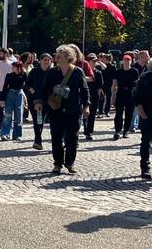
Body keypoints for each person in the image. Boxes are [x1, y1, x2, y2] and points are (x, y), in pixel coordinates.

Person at [34, 45, 90, 174]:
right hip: (55, 110)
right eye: (56, 54)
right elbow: (44, 89)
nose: (56, 57)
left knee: (72, 138)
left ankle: (70, 163)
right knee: (56, 137)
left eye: (59, 55)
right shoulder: (52, 72)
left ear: (68, 57)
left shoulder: (77, 72)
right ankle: (57, 164)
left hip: (73, 109)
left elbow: (85, 90)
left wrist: (86, 106)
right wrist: (39, 102)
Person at [26, 53, 52, 149]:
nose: (46, 62)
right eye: (45, 60)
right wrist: (32, 90)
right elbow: (27, 84)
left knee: (44, 121)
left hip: (48, 100)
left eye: (48, 60)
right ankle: (37, 140)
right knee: (37, 121)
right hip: (35, 99)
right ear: (40, 60)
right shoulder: (34, 71)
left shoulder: (52, 72)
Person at [111, 54, 139, 139]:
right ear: (122, 61)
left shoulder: (134, 71)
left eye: (128, 60)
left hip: (130, 93)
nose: (127, 62)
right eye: (125, 60)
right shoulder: (118, 71)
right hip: (120, 92)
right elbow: (114, 84)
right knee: (118, 113)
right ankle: (117, 130)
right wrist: (113, 96)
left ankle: (126, 131)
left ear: (131, 61)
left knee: (129, 114)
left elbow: (137, 84)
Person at [0, 60, 27, 141]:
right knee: (7, 115)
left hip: (19, 95)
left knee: (19, 116)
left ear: (18, 67)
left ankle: (17, 135)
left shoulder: (24, 75)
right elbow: (4, 87)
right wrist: (2, 99)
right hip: (10, 94)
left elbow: (27, 86)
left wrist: (26, 97)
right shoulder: (9, 75)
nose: (12, 68)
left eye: (14, 66)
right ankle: (5, 134)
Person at [83, 53, 105, 141]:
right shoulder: (83, 72)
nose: (95, 62)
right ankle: (85, 129)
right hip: (84, 96)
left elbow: (100, 87)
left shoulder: (98, 73)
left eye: (96, 61)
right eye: (93, 61)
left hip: (94, 96)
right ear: (88, 62)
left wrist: (97, 98)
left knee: (92, 114)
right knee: (84, 114)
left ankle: (89, 132)